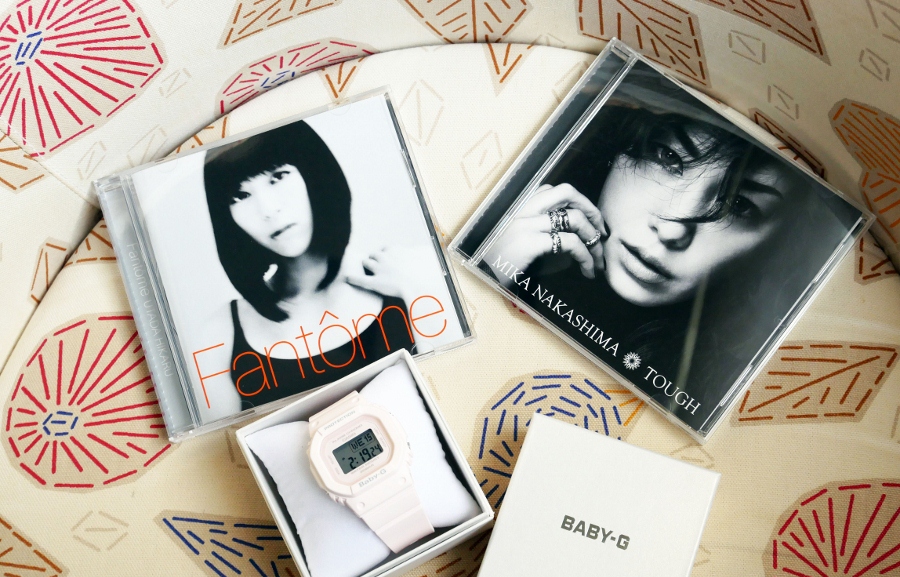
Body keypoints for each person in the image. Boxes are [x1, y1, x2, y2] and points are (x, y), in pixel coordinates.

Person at [484, 76, 855, 424]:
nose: (672, 229)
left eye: (740, 205)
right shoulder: (502, 222)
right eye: (668, 158)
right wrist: (490, 267)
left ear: (774, 247)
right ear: (619, 146)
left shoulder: (726, 396)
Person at [197, 119, 424, 417]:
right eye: (240, 196)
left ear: (314, 173)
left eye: (278, 177)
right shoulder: (219, 334)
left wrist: (416, 291)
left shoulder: (409, 275)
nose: (268, 209)